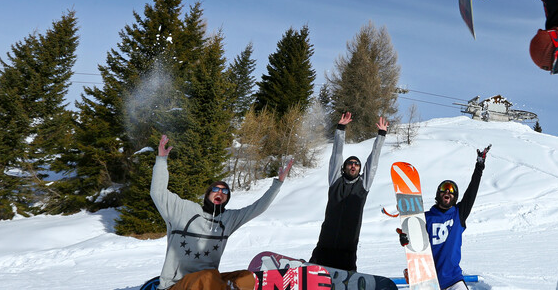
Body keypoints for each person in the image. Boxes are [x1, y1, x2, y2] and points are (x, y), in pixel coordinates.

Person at [151, 134, 291, 290]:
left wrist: (278, 184)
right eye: (216, 189)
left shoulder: (228, 219)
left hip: (210, 282)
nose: (220, 192)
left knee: (246, 277)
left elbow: (257, 208)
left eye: (225, 191)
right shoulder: (183, 210)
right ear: (207, 194)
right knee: (207, 277)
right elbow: (158, 193)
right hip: (175, 285)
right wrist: (161, 160)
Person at [399, 145, 491, 290]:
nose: (447, 191)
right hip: (429, 282)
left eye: (452, 190)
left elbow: (472, 191)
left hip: (453, 280)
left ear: (455, 197)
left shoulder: (459, 214)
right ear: (438, 194)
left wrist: (479, 166)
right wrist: (405, 239)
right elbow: (414, 243)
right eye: (444, 189)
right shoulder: (425, 217)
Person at [310, 112, 388, 271]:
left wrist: (381, 135)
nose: (353, 165)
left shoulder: (363, 185)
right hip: (325, 244)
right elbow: (336, 154)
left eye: (356, 164)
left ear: (359, 169)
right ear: (344, 167)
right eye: (350, 163)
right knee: (314, 275)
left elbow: (373, 160)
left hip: (348, 249)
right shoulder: (335, 181)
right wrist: (340, 129)